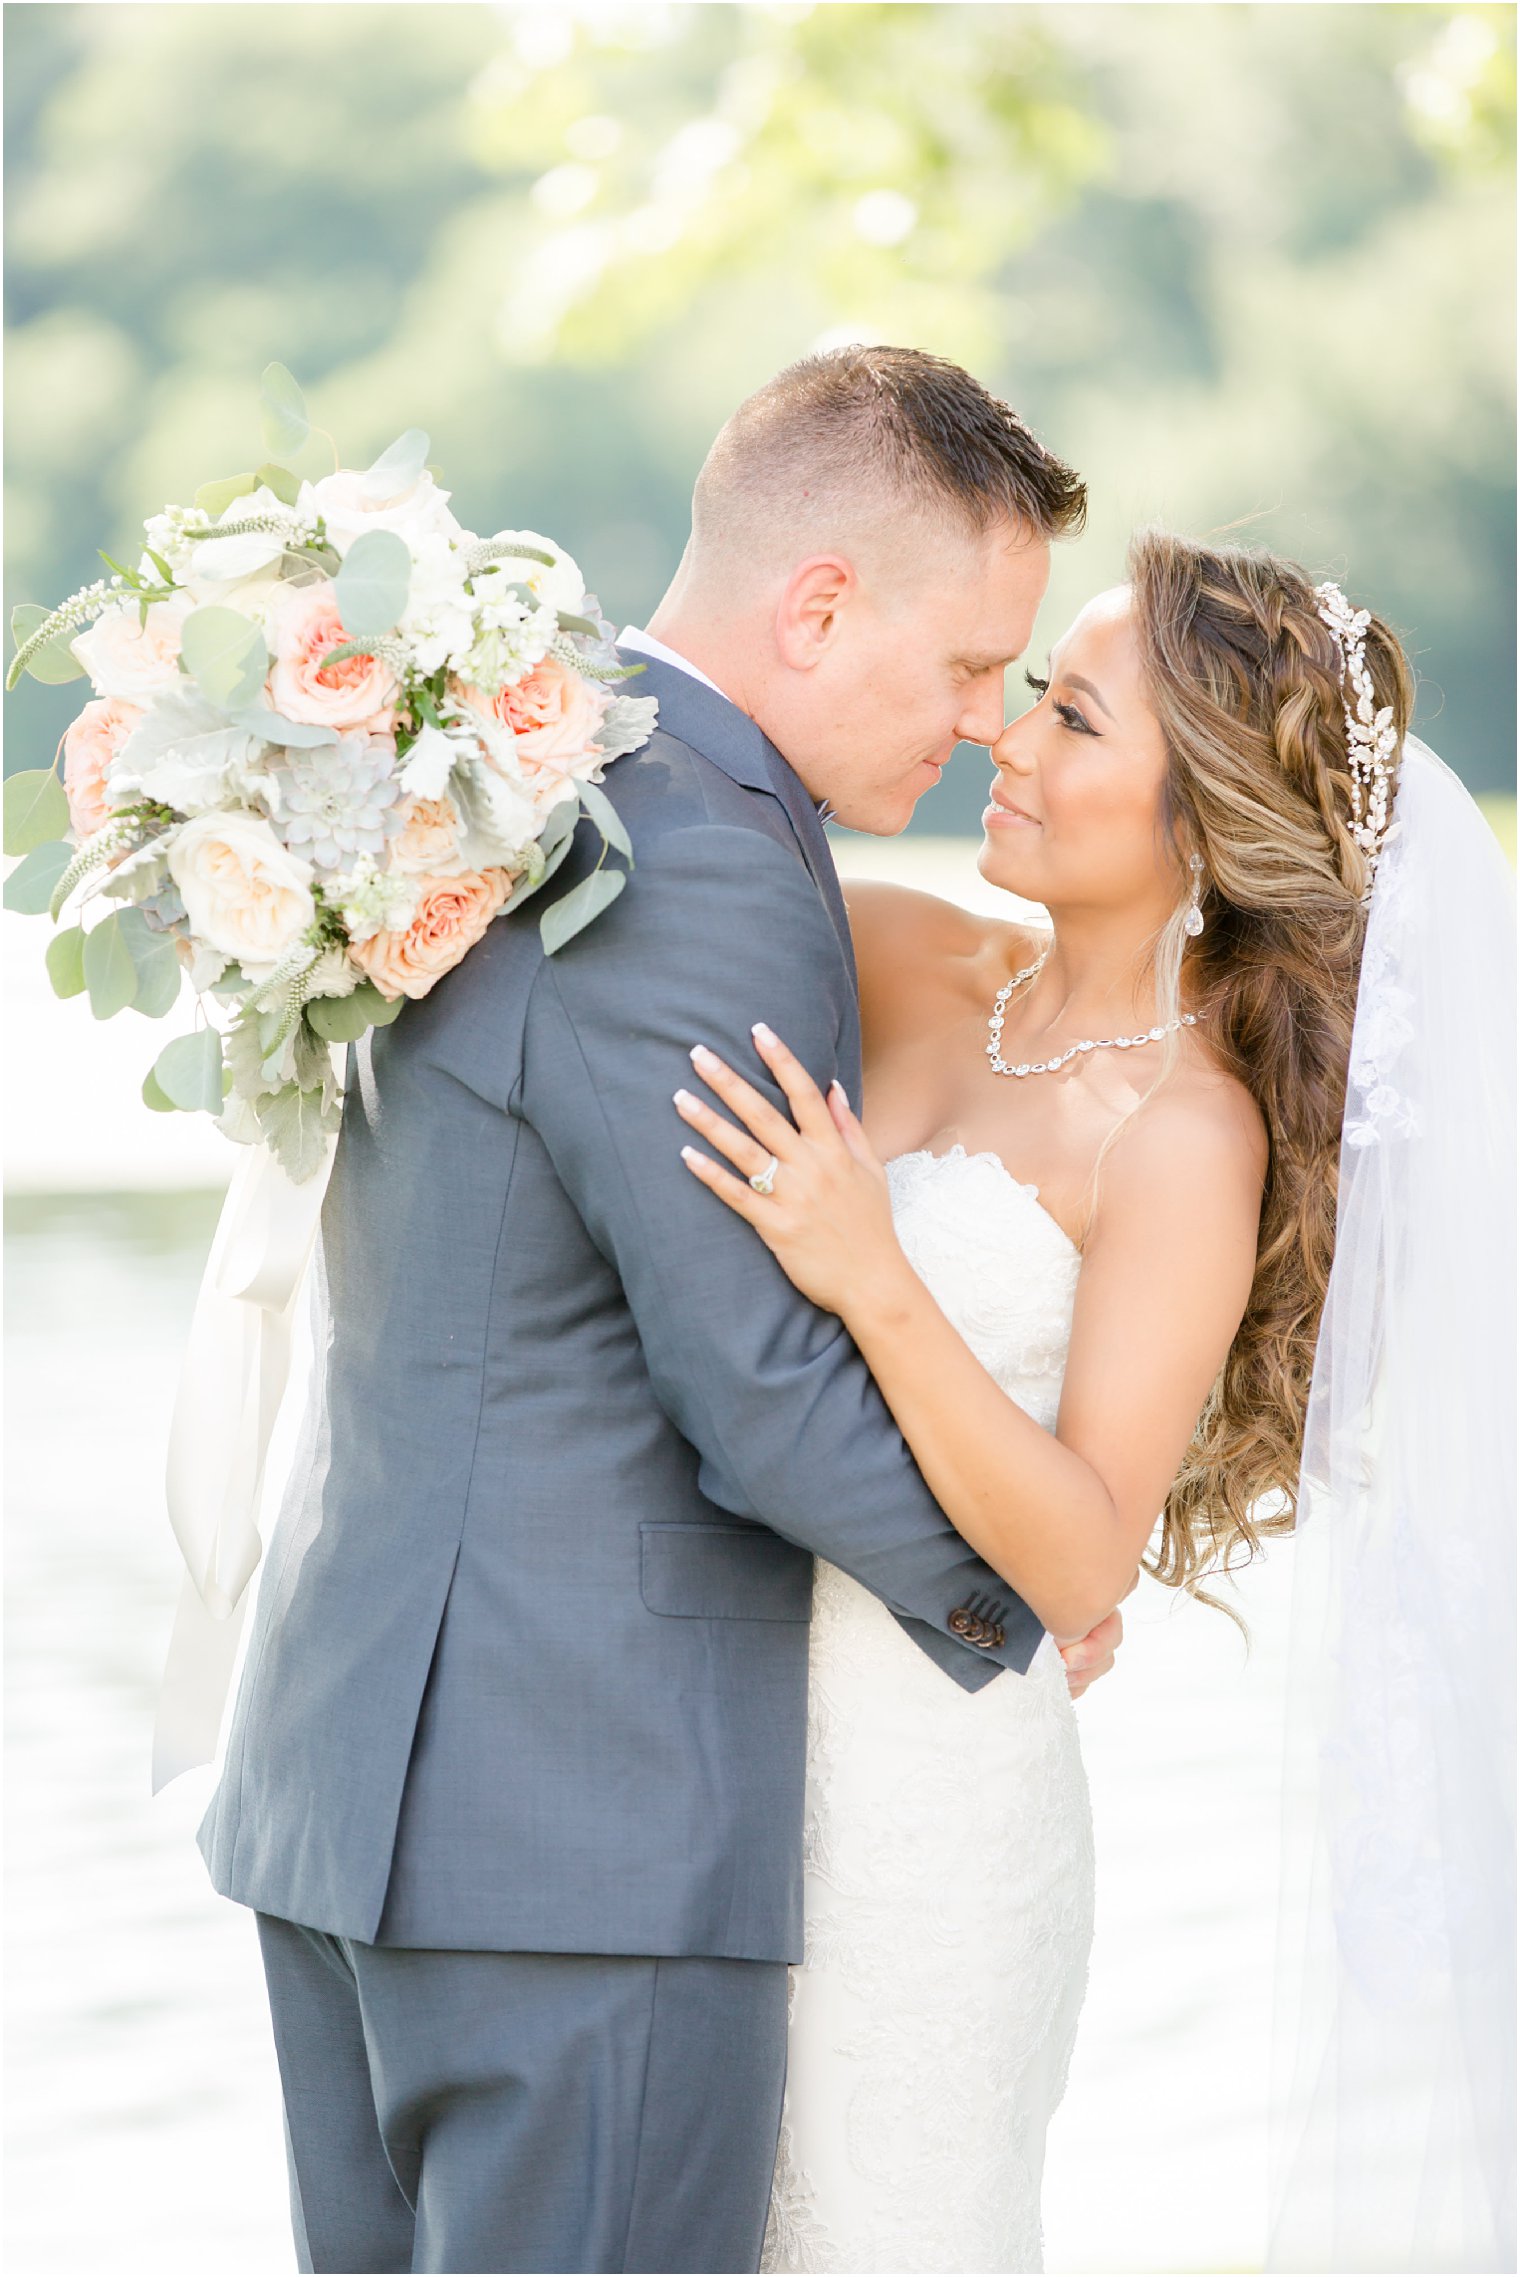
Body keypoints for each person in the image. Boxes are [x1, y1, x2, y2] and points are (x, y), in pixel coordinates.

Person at [194, 345, 1130, 2276]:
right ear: (817, 603)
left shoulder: (512, 765)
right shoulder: (697, 857)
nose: (983, 729)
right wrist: (1021, 1591)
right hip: (577, 1844)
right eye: (969, 668)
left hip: (348, 1780)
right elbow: (759, 1392)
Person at [674, 532, 1515, 2273]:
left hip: (936, 1815)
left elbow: (1080, 1561)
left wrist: (872, 1270)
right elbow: (660, 857)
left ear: (1197, 822)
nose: (1011, 739)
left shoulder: (1186, 1134)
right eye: (1030, 693)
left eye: (1070, 716)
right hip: (726, 1751)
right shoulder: (907, 953)